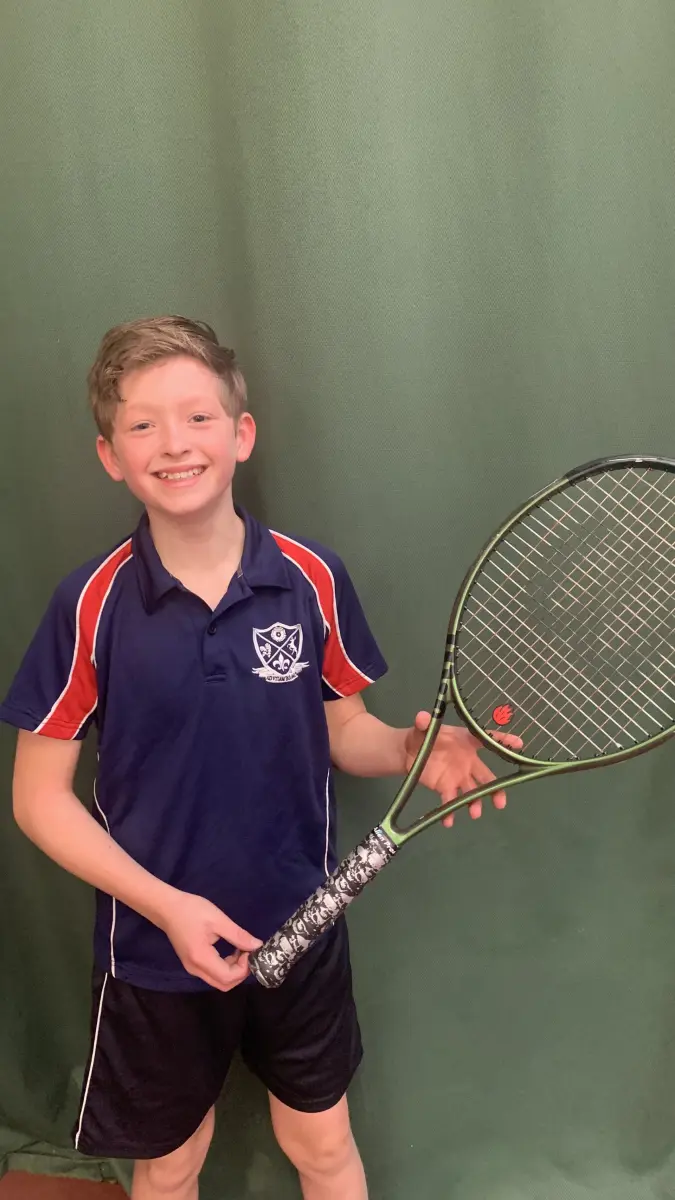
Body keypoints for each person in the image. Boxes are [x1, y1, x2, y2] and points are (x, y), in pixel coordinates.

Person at [0, 316, 520, 1200]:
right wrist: (168, 909)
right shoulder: (87, 604)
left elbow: (338, 728)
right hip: (154, 953)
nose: (174, 443)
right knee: (168, 1167)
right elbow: (38, 799)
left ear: (241, 435)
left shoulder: (312, 578)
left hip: (303, 926)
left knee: (322, 1150)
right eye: (142, 424)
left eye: (198, 417)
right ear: (109, 455)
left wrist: (406, 749)